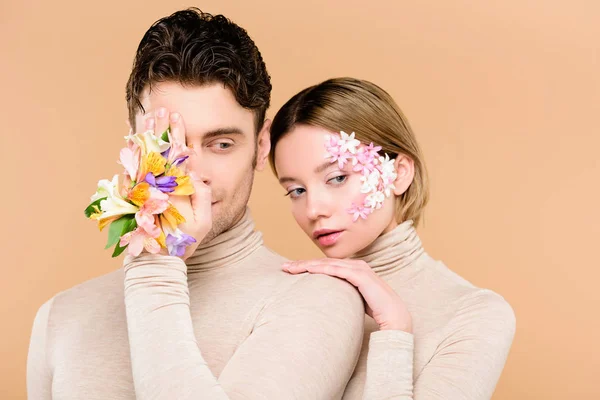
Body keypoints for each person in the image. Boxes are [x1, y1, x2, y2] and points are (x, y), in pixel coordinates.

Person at [26, 10, 365, 400]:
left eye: (221, 144)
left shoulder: (319, 301)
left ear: (260, 145)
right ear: (134, 139)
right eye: (170, 144)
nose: (192, 176)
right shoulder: (61, 316)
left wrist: (157, 267)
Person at [269, 77, 516, 399]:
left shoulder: (474, 314)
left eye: (337, 177)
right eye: (296, 191)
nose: (313, 209)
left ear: (399, 173)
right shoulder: (289, 296)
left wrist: (395, 333)